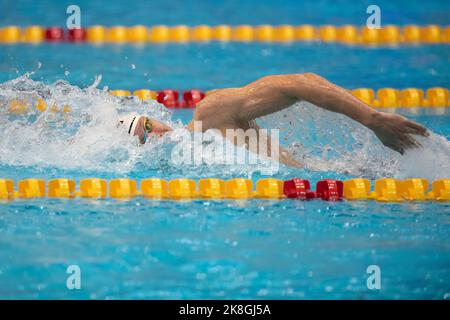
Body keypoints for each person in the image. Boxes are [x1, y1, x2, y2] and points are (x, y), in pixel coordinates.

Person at [119, 73, 429, 166]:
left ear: (157, 118)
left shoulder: (210, 115)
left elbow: (296, 83)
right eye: (142, 140)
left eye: (147, 126)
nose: (153, 137)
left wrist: (373, 119)